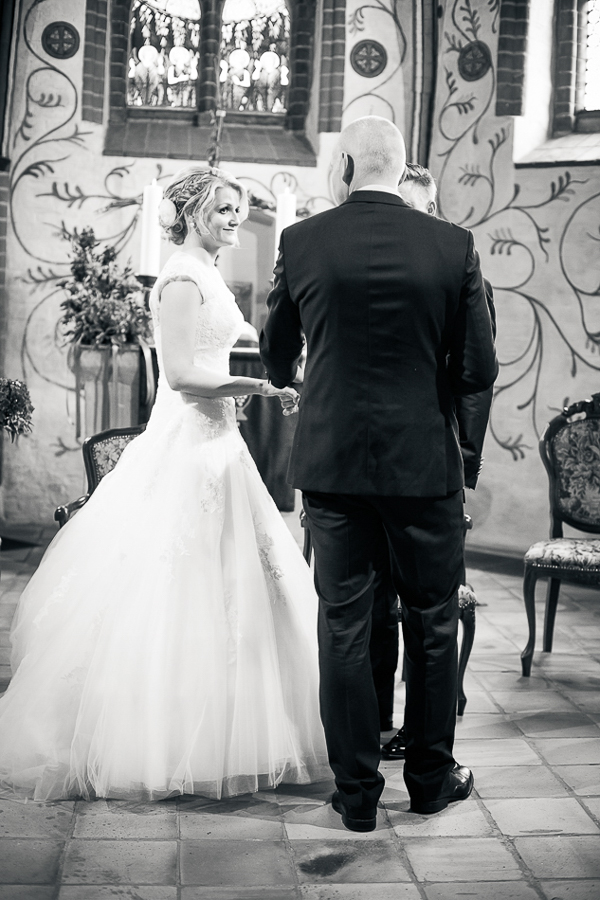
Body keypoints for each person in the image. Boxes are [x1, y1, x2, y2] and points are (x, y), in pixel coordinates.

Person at [0, 166, 329, 802]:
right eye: (224, 209)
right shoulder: (180, 279)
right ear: (193, 212)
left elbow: (235, 342)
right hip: (188, 446)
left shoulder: (208, 272)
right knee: (179, 584)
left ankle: (239, 731)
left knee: (239, 583)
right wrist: (258, 386)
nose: (236, 219)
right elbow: (179, 375)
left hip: (221, 445)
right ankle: (161, 738)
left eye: (238, 209)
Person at [260, 116, 498, 829]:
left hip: (333, 464)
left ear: (343, 166)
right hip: (423, 465)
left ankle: (356, 794)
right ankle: (429, 780)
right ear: (399, 167)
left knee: (344, 624)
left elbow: (276, 354)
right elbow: (478, 367)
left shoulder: (301, 240)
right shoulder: (453, 245)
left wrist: (305, 371)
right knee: (432, 622)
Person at [379, 162, 497, 763]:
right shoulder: (366, 268)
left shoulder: (460, 266)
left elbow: (476, 379)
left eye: (414, 211)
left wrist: (465, 463)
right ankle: (376, 721)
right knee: (373, 609)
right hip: (367, 466)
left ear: (432, 209)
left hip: (433, 464)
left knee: (428, 615)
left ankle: (423, 739)